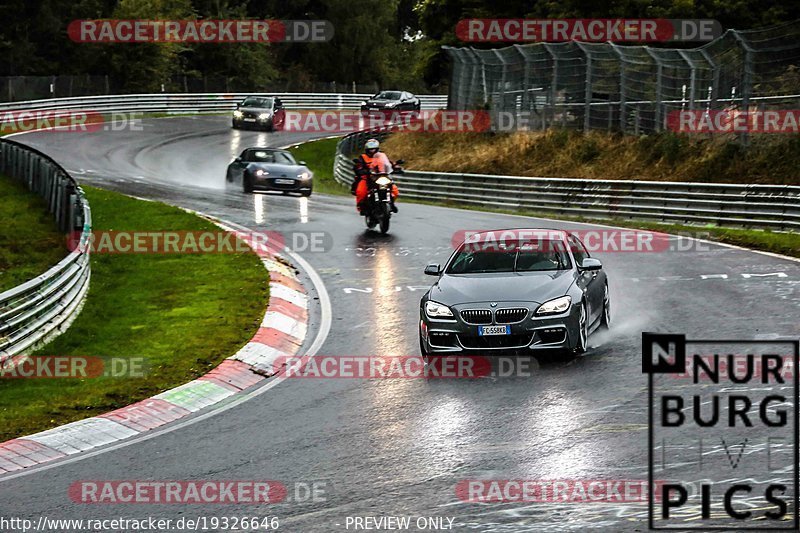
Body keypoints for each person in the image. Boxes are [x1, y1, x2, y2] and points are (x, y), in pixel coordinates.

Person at [352, 138, 398, 213]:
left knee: (395, 190)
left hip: (381, 176)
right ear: (367, 149)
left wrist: (395, 167)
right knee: (361, 192)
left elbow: (388, 164)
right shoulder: (363, 157)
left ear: (377, 149)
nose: (372, 151)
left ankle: (391, 203)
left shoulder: (381, 156)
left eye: (374, 149)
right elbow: (358, 166)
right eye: (370, 149)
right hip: (367, 178)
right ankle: (361, 206)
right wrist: (361, 170)